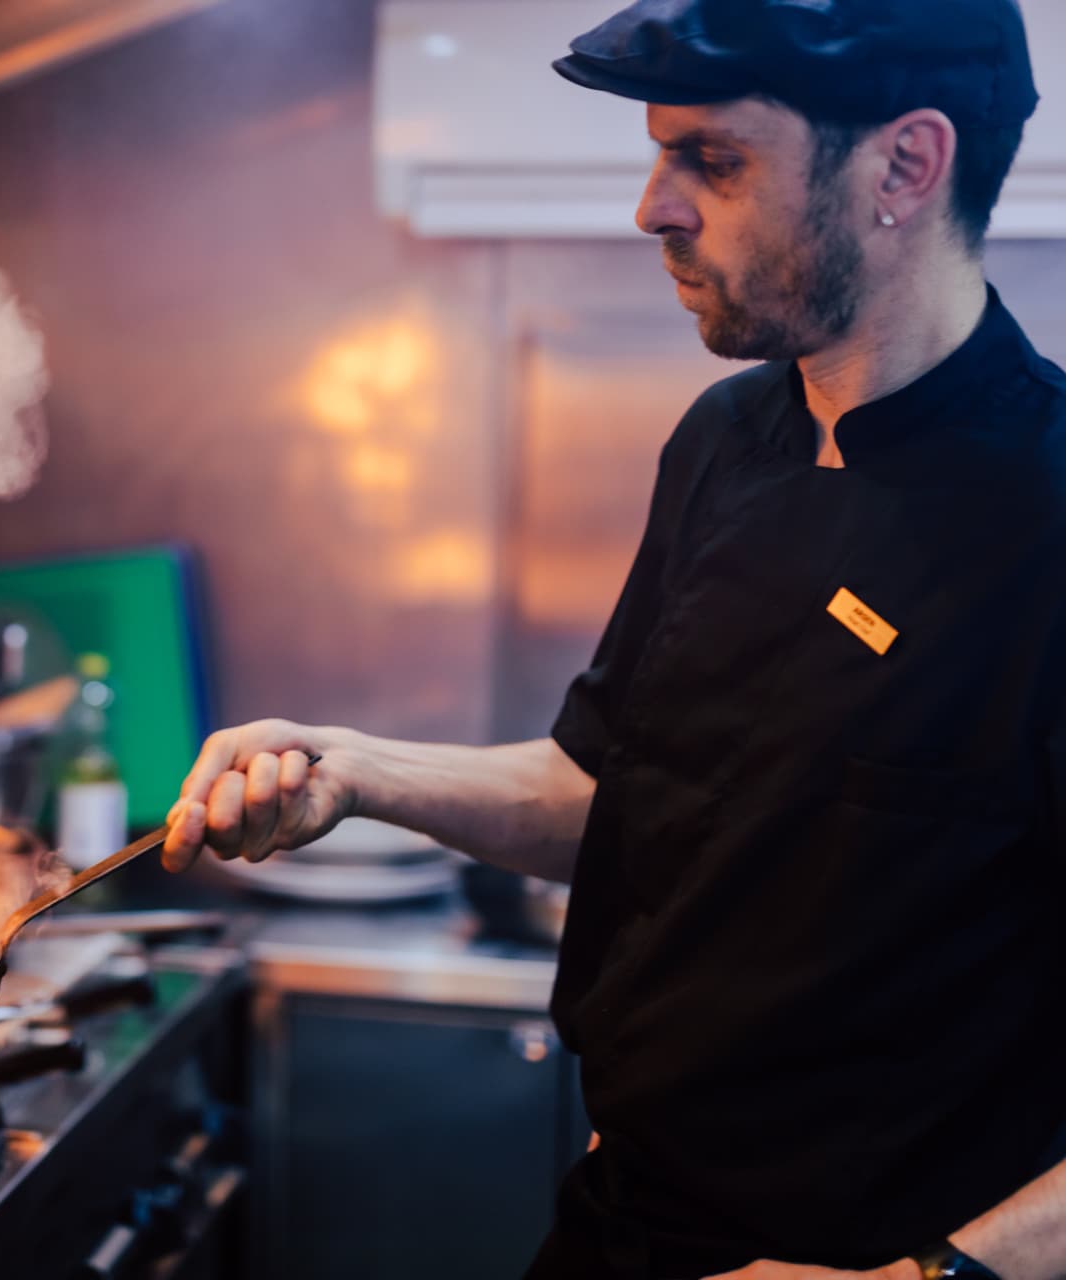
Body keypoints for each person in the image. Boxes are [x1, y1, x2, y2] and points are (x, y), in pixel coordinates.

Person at [163, 2, 1066, 1276]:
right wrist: (352, 769)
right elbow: (614, 788)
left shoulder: (1050, 516)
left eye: (714, 160)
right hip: (621, 1228)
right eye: (660, 155)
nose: (653, 207)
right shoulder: (724, 441)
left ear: (906, 167)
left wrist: (937, 1279)